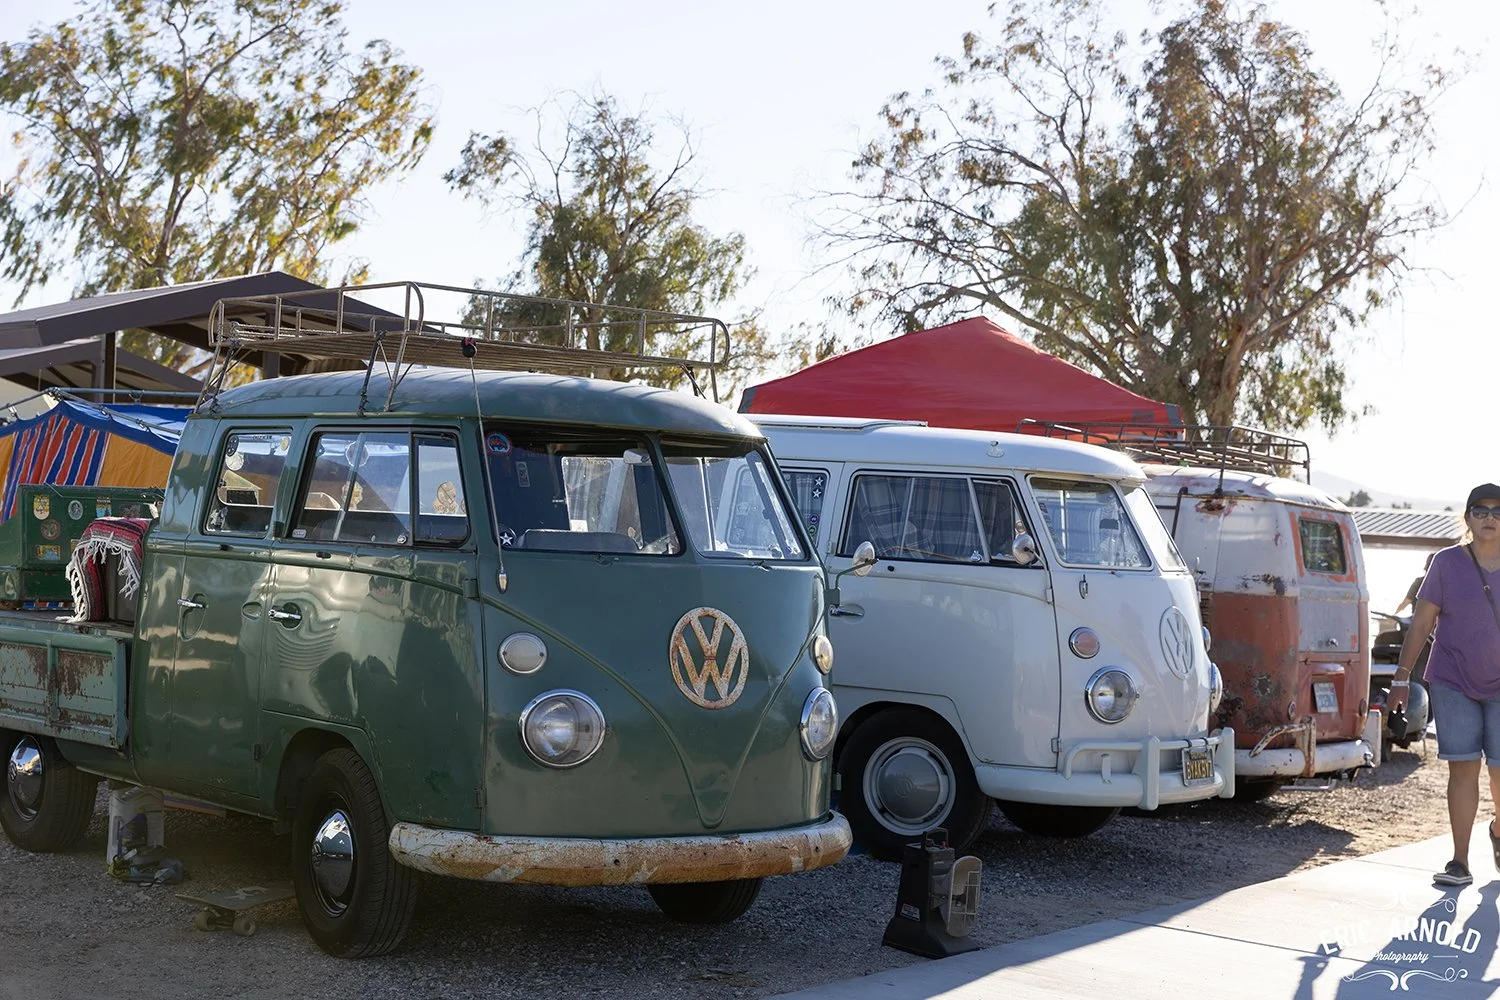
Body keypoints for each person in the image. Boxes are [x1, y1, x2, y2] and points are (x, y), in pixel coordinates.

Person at [1395, 484, 1500, 886]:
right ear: (1468, 517)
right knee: (1463, 768)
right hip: (1453, 679)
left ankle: (1498, 831)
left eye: (1498, 511)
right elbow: (1422, 623)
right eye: (1480, 510)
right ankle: (1459, 861)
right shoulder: (1446, 563)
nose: (1489, 517)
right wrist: (1401, 678)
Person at [1396, 550, 1439, 615]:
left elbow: (1406, 602)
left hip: (1417, 618)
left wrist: (1394, 615)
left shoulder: (1419, 582)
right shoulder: (1444, 585)